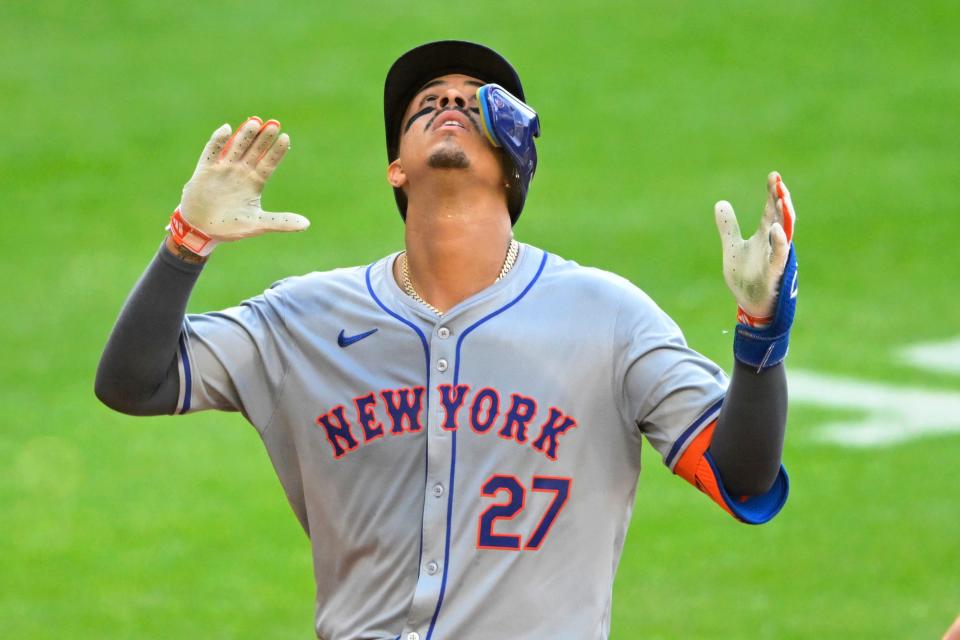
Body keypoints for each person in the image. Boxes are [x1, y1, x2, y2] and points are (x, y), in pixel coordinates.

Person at [96, 40, 797, 640]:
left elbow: (743, 476)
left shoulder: (608, 317)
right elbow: (134, 382)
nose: (448, 103)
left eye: (475, 100)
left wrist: (760, 336)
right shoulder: (303, 319)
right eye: (425, 103)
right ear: (396, 168)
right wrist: (187, 243)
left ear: (516, 157)